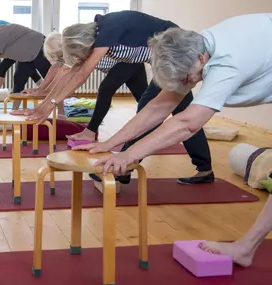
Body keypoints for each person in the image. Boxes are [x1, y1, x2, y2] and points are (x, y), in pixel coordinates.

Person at [74, 13, 272, 267]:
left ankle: (245, 248)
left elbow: (188, 123)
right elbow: (159, 106)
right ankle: (246, 248)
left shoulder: (226, 62)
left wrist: (129, 154)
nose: (188, 84)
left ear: (201, 59)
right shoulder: (195, 47)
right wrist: (110, 144)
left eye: (189, 78)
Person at [12, 10, 214, 185]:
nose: (81, 59)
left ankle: (122, 168)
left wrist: (49, 105)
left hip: (177, 58)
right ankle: (204, 168)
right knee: (180, 112)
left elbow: (82, 75)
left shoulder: (106, 32)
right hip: (163, 62)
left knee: (151, 110)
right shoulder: (99, 32)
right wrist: (46, 101)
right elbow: (73, 71)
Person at [0, 22, 51, 109]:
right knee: (18, 81)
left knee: (51, 82)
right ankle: (14, 112)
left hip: (40, 48)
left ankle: (60, 113)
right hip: (26, 57)